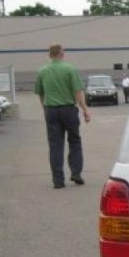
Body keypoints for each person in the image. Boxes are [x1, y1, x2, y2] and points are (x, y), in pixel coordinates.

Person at [34, 44, 91, 188]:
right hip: (68, 110)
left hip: (51, 110)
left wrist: (45, 108)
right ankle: (76, 173)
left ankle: (58, 180)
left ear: (49, 55)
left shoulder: (42, 71)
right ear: (61, 54)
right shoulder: (70, 69)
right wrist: (85, 109)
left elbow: (40, 93)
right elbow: (78, 91)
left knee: (55, 145)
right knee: (74, 141)